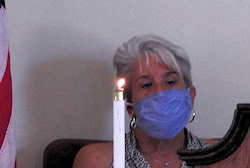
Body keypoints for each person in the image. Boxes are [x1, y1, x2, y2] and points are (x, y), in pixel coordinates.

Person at [74, 34, 211, 168]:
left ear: (190, 95)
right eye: (146, 85)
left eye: (170, 81)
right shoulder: (97, 161)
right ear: (130, 107)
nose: (160, 92)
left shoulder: (217, 158)